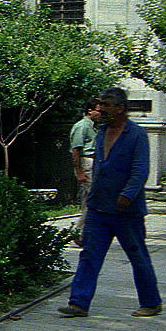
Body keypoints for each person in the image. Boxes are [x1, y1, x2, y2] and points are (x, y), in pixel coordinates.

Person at [59, 87, 162, 318]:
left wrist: (127, 195)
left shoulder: (136, 135)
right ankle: (79, 303)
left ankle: (151, 302)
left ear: (120, 108)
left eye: (105, 105)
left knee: (137, 256)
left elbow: (140, 170)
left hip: (127, 211)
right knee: (89, 255)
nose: (100, 109)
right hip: (98, 208)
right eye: (100, 104)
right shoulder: (101, 132)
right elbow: (99, 167)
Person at [69, 99, 101, 246]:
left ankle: (82, 233)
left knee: (89, 200)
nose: (101, 114)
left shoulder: (92, 127)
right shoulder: (82, 126)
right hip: (86, 163)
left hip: (93, 163)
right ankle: (80, 232)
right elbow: (76, 150)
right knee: (95, 198)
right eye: (98, 111)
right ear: (90, 111)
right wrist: (79, 171)